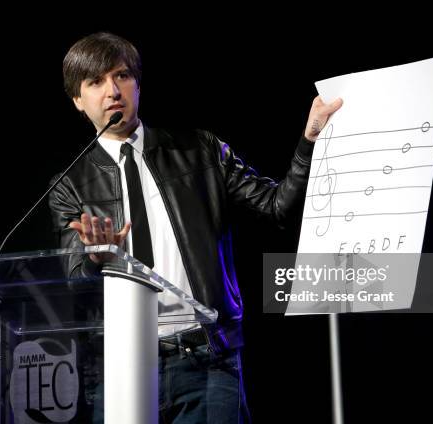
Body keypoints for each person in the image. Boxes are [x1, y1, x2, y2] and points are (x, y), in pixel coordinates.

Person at [48, 31, 342, 423]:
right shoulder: (70, 184)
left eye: (121, 76)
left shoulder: (199, 151)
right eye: (95, 82)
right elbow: (73, 282)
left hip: (206, 360)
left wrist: (311, 140)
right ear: (77, 101)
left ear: (138, 83)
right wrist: (95, 259)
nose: (112, 90)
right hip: (120, 367)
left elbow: (277, 207)